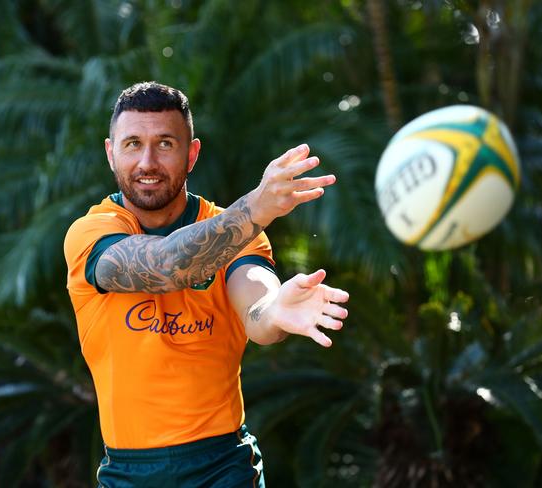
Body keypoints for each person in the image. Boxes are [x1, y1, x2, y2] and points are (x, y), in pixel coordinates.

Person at [63, 81, 349, 487]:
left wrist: (275, 311)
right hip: (127, 474)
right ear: (111, 153)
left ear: (191, 154)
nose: (147, 161)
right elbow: (164, 264)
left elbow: (257, 309)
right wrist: (255, 208)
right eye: (131, 144)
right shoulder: (90, 233)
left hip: (224, 469)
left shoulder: (239, 231)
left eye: (165, 144)